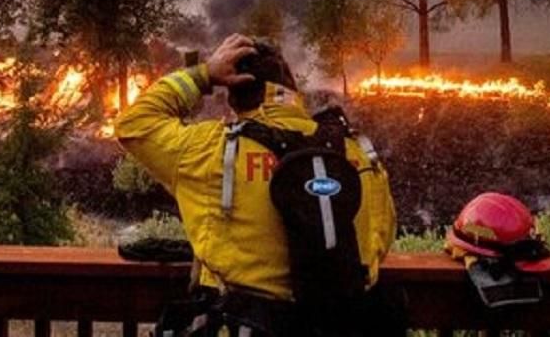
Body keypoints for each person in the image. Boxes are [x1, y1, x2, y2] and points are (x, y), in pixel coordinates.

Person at [116, 34, 399, 336]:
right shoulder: (356, 152)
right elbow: (381, 239)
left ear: (233, 94)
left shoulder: (211, 149)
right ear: (293, 90)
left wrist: (204, 74)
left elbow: (135, 124)